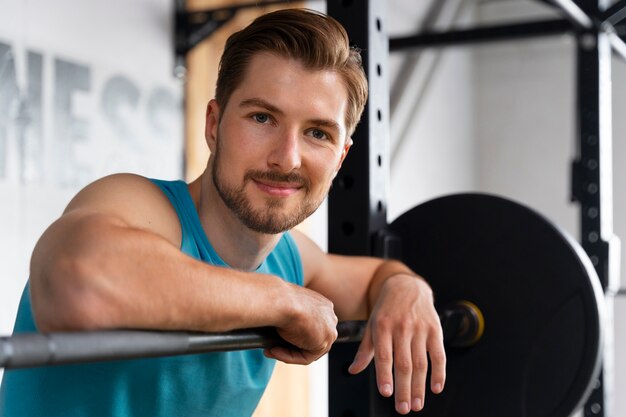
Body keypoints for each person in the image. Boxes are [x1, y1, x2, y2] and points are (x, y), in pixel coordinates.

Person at [0, 8, 445, 417]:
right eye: (262, 118)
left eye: (317, 133)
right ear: (214, 124)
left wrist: (407, 288)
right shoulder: (142, 208)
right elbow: (77, 284)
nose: (287, 159)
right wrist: (280, 300)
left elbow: (374, 280)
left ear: (340, 158)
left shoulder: (292, 258)